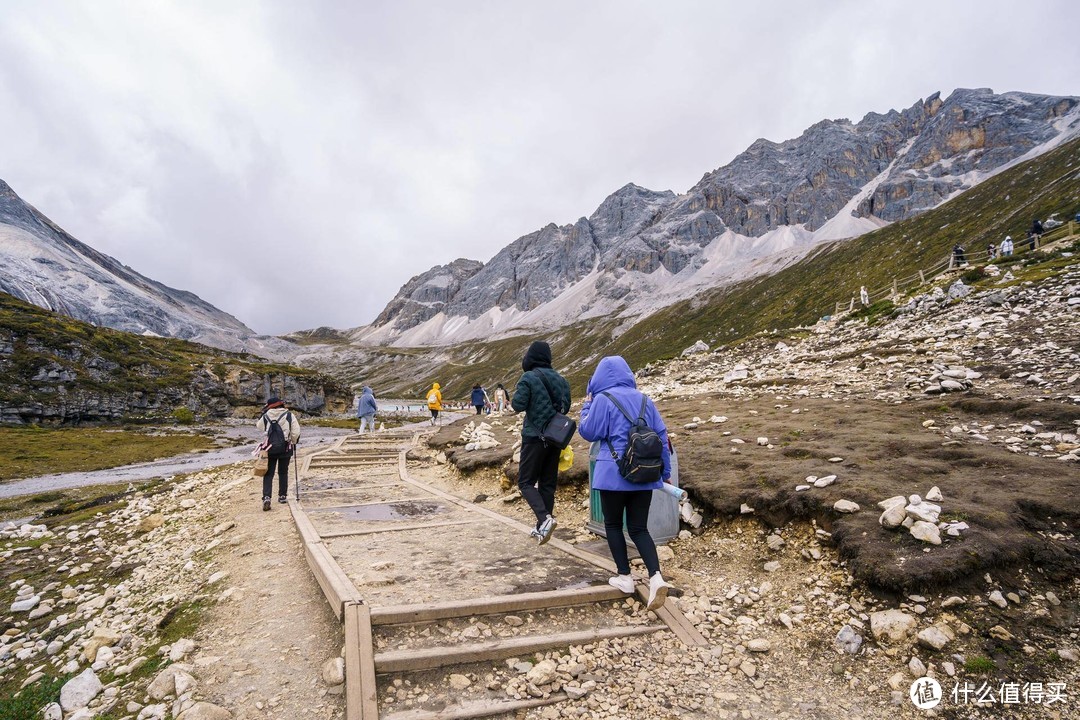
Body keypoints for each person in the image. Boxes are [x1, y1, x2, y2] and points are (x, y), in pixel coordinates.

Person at [578, 356, 674, 611]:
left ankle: (625, 577)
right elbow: (662, 437)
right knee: (639, 529)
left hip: (613, 474)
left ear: (599, 378)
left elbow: (589, 432)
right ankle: (656, 577)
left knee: (612, 525)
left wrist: (585, 408)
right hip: (645, 473)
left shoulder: (601, 399)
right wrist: (665, 472)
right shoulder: (645, 399)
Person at [511, 340, 571, 546]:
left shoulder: (528, 377)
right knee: (547, 484)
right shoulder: (561, 379)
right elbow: (566, 407)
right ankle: (542, 528)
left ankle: (545, 519)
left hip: (534, 437)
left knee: (525, 482)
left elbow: (517, 405)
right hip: (555, 438)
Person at [256, 396, 301, 510]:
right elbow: (296, 431)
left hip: (270, 448)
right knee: (283, 472)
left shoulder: (266, 416)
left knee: (268, 473)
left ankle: (266, 497)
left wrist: (265, 416)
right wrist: (294, 441)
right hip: (285, 447)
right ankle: (282, 496)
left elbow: (259, 426)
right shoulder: (289, 415)